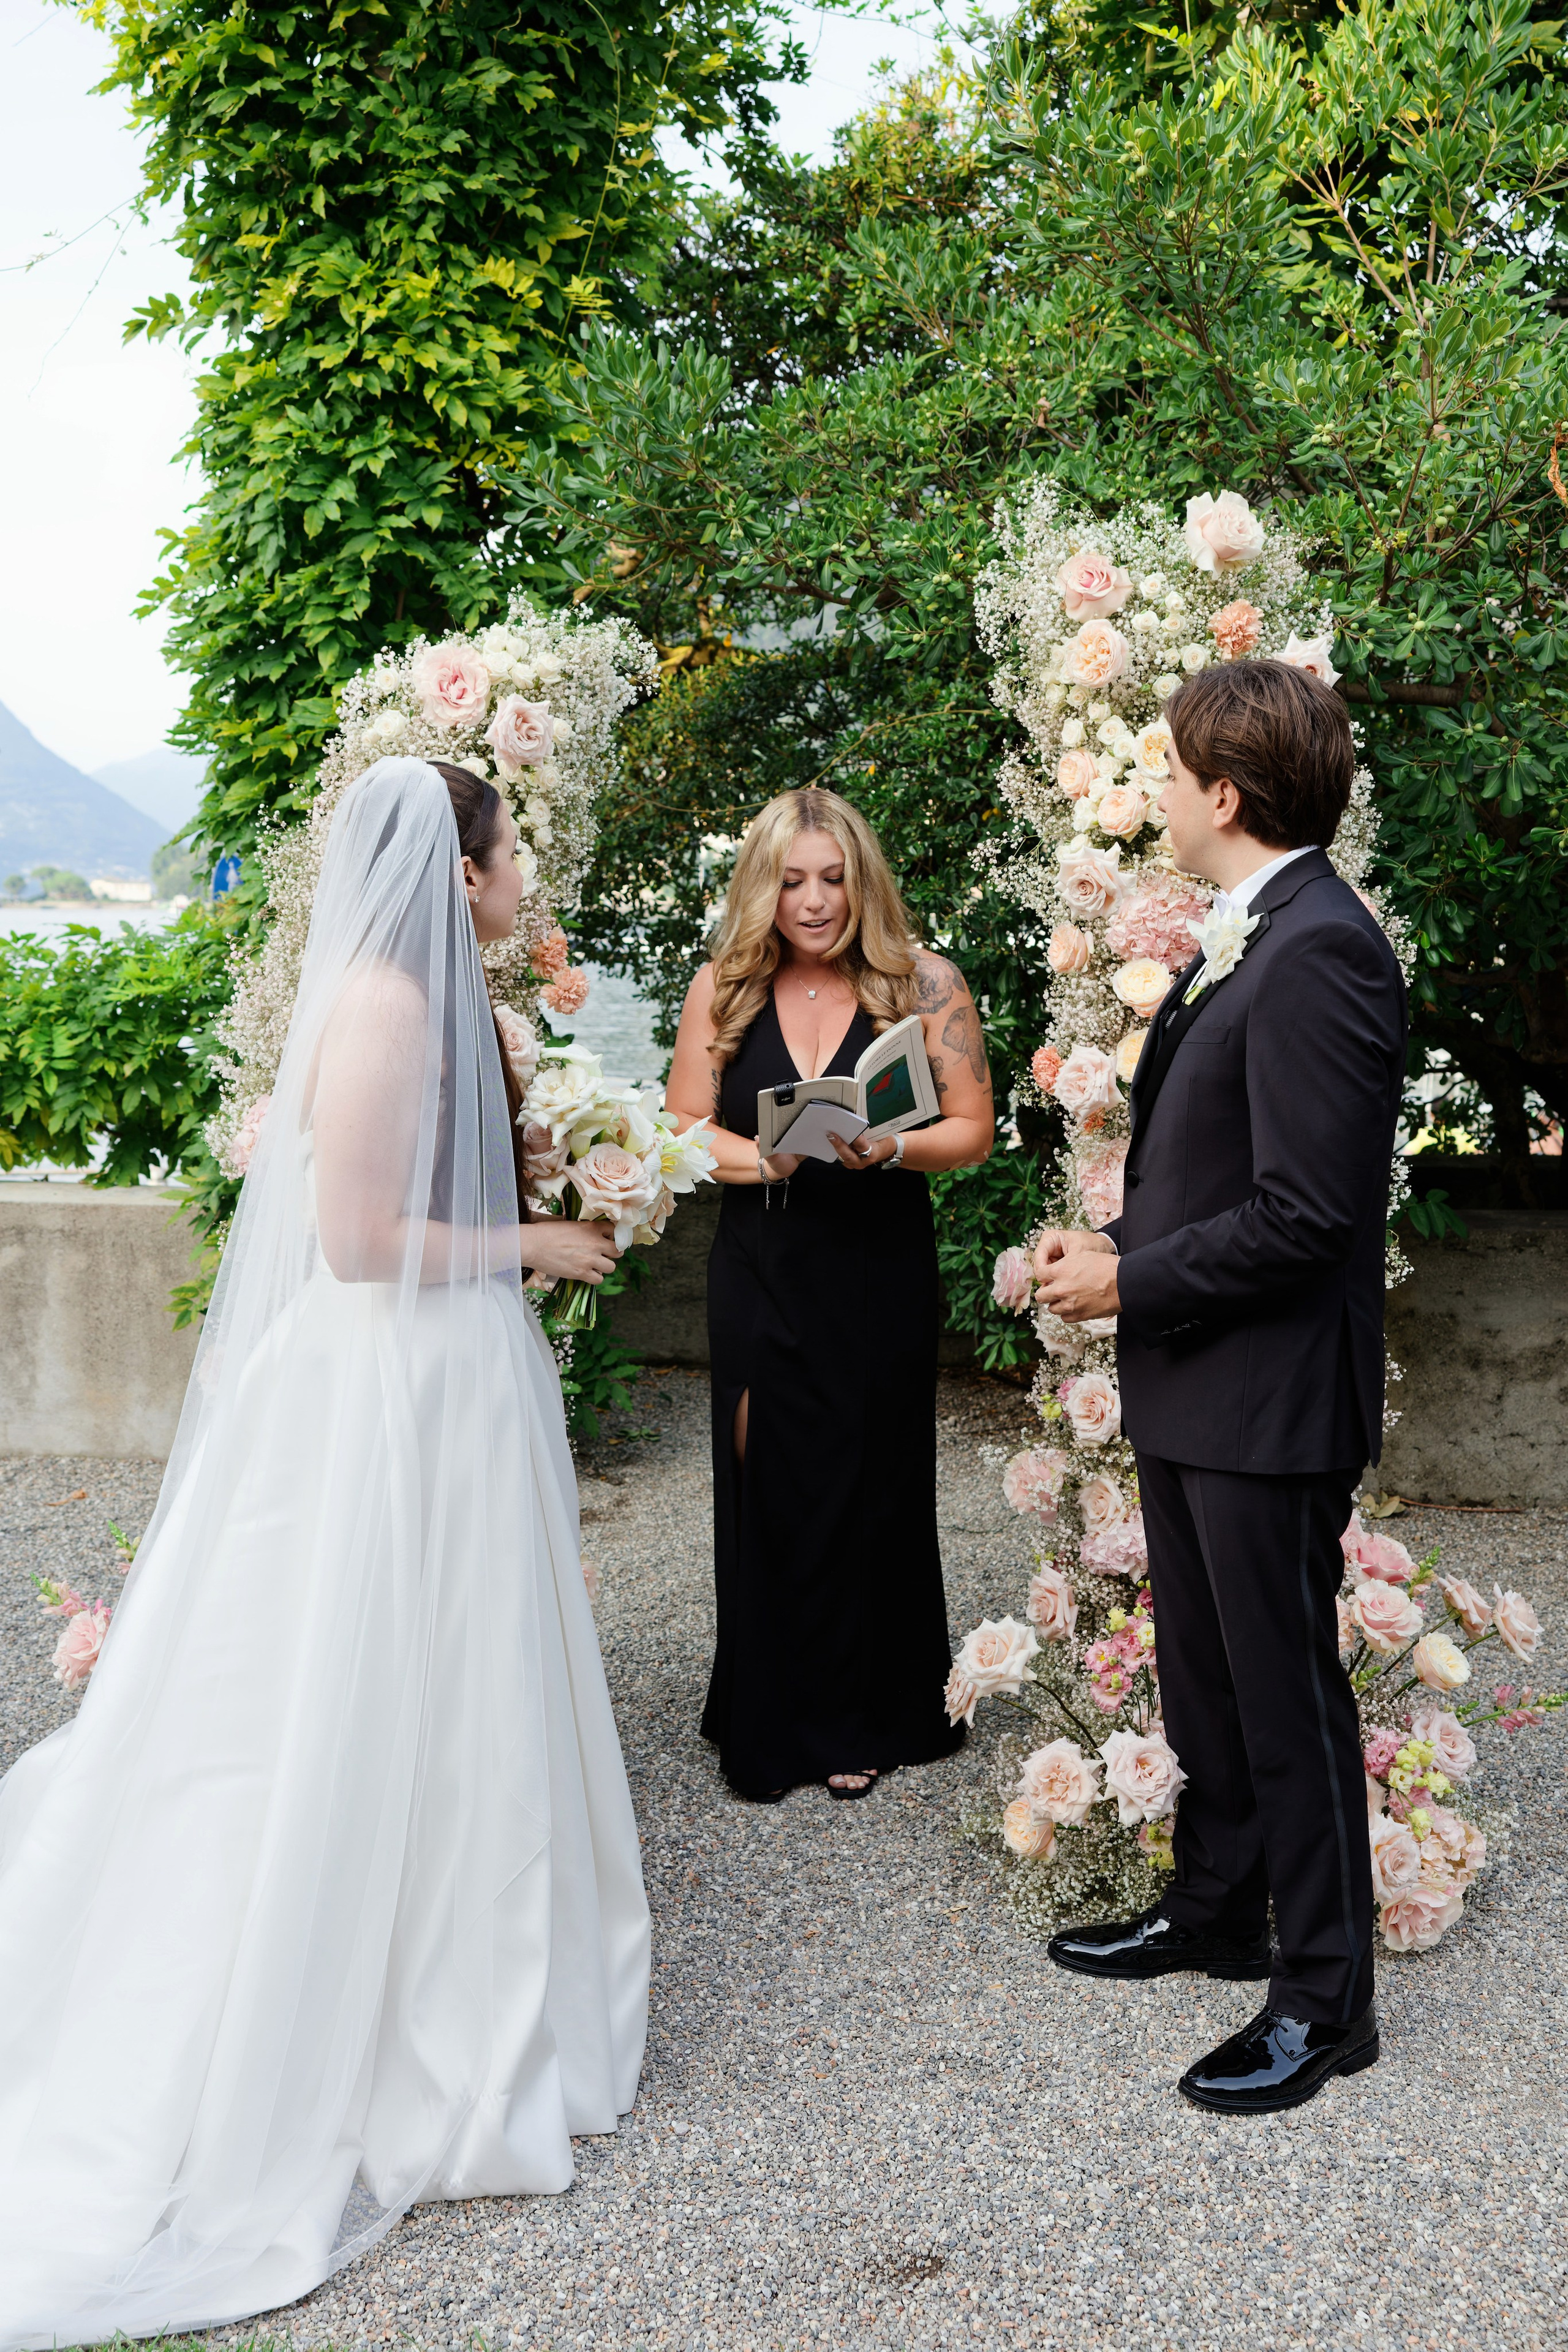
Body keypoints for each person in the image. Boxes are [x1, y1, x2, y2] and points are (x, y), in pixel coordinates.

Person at [0, 758, 650, 2345]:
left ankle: (457, 1962)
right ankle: (363, 2004)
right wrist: (536, 1239)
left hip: (450, 1376)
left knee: (460, 1679)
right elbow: (363, 1243)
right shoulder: (381, 1008)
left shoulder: (439, 1005)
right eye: (511, 855)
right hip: (388, 1390)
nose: (521, 880)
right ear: (460, 867)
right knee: (348, 1685)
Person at [1033, 660, 1406, 2114]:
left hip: (1265, 1400)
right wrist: (1115, 1245)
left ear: (1226, 796)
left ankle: (1323, 2001)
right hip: (1196, 1381)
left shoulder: (1317, 948)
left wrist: (1130, 1283)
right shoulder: (1243, 935)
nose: (1160, 795)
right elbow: (1214, 1175)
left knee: (1281, 1694)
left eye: (1172, 774)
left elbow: (1308, 1217)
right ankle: (1212, 1910)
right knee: (1202, 1676)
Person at [665, 786, 994, 1801]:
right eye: (793, 881)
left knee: (871, 1483)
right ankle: (767, 1703)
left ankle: (864, 1711)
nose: (814, 902)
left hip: (875, 1265)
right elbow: (682, 1126)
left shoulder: (925, 983)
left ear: (865, 881)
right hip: (761, 1267)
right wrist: (761, 1162)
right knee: (765, 1477)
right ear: (763, 887)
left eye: (834, 879)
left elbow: (972, 1129)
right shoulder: (722, 985)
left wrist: (890, 1145)